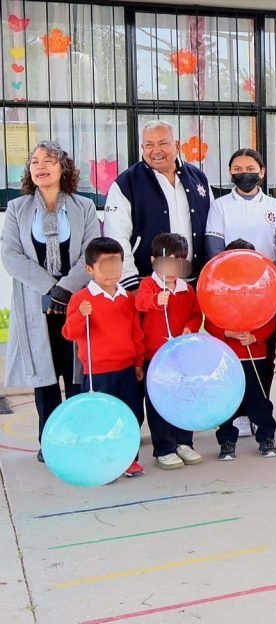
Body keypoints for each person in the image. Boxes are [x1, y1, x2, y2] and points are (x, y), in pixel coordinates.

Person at [2, 142, 99, 460]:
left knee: (76, 375)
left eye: (48, 160)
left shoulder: (83, 207)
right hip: (35, 304)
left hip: (74, 303)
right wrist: (49, 287)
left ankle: (76, 436)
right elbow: (11, 256)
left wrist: (66, 289)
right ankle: (50, 441)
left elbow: (91, 251)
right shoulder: (17, 209)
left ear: (63, 168)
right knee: (43, 379)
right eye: (34, 161)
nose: (40, 166)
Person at [206, 148, 276, 437]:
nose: (245, 173)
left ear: (262, 172)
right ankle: (238, 412)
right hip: (229, 295)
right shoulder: (219, 206)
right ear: (230, 173)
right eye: (238, 169)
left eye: (250, 168)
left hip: (267, 292)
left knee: (263, 352)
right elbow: (214, 249)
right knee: (233, 353)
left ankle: (259, 408)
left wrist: (270, 280)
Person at [62, 237, 146, 478]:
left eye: (116, 265)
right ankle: (102, 462)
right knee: (100, 420)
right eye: (105, 266)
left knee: (130, 416)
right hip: (97, 372)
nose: (112, 272)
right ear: (90, 269)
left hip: (127, 369)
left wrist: (138, 362)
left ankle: (129, 459)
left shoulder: (128, 298)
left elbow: (136, 332)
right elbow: (69, 333)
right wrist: (80, 315)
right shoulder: (80, 299)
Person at [104, 121, 211, 290]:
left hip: (195, 283)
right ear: (142, 147)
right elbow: (116, 237)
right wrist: (130, 282)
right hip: (147, 286)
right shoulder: (126, 183)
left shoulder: (198, 177)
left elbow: (210, 227)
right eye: (149, 145)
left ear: (176, 145)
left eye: (163, 143)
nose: (156, 150)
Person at [207, 239, 276, 461]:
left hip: (255, 355)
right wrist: (226, 333)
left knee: (259, 401)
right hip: (228, 357)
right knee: (227, 402)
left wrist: (255, 336)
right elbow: (210, 319)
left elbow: (270, 317)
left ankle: (267, 437)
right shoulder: (219, 288)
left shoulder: (260, 288)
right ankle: (227, 441)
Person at [135, 233, 204, 469]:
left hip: (182, 357)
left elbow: (197, 315)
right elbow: (140, 303)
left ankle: (184, 441)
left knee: (184, 399)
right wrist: (156, 299)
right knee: (158, 403)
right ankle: (164, 448)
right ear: (154, 260)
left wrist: (189, 328)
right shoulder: (148, 285)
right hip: (155, 357)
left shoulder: (187, 289)